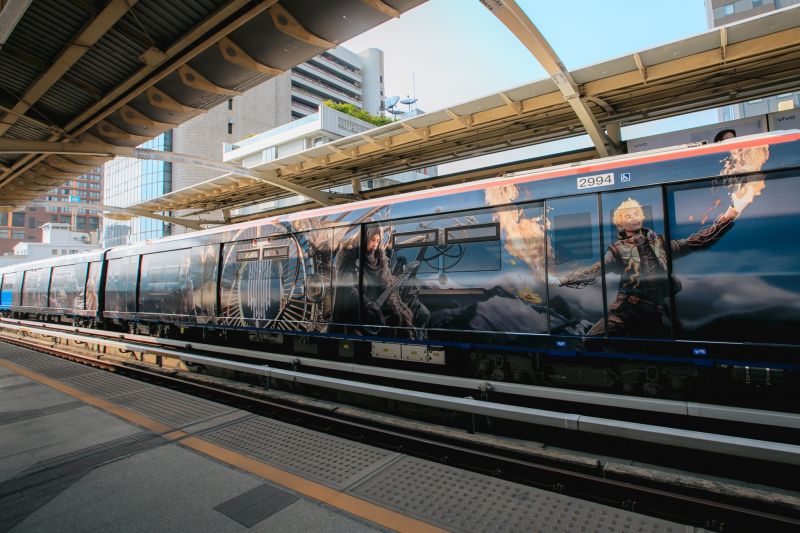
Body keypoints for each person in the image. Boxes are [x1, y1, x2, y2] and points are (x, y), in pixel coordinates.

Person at [558, 197, 739, 338]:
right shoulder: (618, 250)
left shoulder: (660, 243)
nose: (634, 218)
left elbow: (697, 242)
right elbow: (597, 269)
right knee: (592, 340)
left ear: (643, 217)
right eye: (628, 216)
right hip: (625, 310)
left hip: (654, 312)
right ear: (620, 224)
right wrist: (565, 279)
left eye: (636, 214)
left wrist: (725, 221)